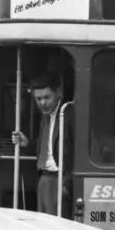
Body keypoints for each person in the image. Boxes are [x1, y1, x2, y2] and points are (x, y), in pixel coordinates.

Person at [10, 74, 74, 219]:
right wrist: (28, 143)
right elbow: (48, 146)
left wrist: (67, 184)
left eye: (47, 97)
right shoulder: (46, 116)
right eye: (38, 99)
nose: (43, 103)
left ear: (59, 93)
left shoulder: (69, 114)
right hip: (44, 178)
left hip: (59, 179)